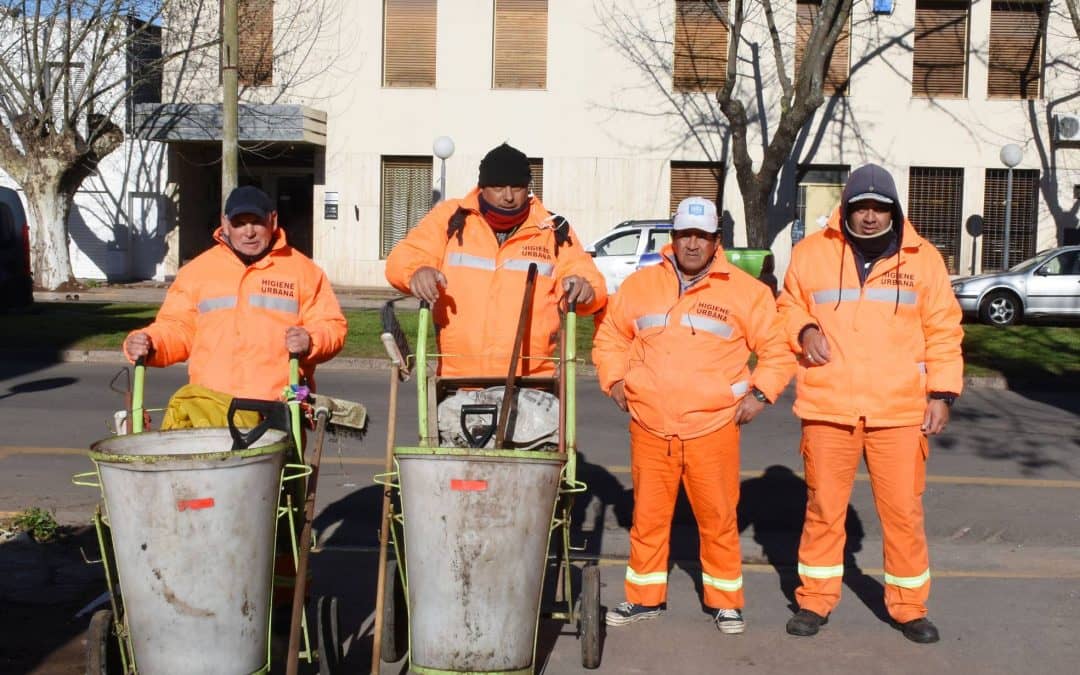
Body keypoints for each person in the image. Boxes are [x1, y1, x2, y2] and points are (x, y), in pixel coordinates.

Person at [777, 163, 963, 644]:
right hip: (828, 407)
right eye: (861, 207)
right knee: (823, 509)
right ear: (846, 208)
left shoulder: (924, 260)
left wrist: (942, 393)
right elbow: (788, 305)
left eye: (880, 208)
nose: (869, 217)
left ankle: (908, 607)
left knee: (903, 513)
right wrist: (804, 329)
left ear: (894, 210)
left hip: (899, 412)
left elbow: (944, 329)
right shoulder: (811, 253)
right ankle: (814, 601)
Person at [592, 196, 795, 633]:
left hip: (713, 426)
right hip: (651, 426)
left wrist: (760, 394)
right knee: (647, 517)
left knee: (718, 517)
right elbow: (609, 337)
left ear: (716, 241)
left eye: (701, 236)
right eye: (685, 234)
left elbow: (778, 351)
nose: (691, 244)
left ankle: (725, 602)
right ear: (674, 236)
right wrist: (616, 382)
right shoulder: (640, 286)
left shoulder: (746, 292)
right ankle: (643, 598)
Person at [385, 143, 605, 378]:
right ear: (482, 187)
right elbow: (400, 260)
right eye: (499, 187)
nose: (509, 196)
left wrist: (585, 291)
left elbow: (592, 284)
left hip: (533, 382)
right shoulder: (451, 218)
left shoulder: (553, 229)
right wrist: (417, 272)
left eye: (517, 187)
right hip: (457, 380)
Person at [123, 185, 347, 401]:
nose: (249, 232)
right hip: (209, 408)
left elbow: (331, 326)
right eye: (240, 224)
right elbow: (177, 328)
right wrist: (150, 342)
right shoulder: (197, 272)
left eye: (256, 223)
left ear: (273, 220)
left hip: (278, 408)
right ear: (225, 224)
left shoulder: (304, 271)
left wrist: (311, 340)